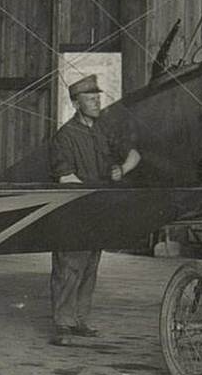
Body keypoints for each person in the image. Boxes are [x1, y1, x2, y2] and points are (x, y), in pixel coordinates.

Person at [48, 74, 140, 346]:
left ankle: (80, 321)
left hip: (98, 211)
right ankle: (64, 324)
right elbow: (65, 177)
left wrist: (121, 169)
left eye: (98, 97)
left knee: (90, 267)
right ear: (77, 104)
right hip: (74, 212)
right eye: (90, 98)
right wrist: (94, 190)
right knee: (69, 267)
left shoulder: (103, 132)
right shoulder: (64, 137)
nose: (97, 102)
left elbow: (134, 154)